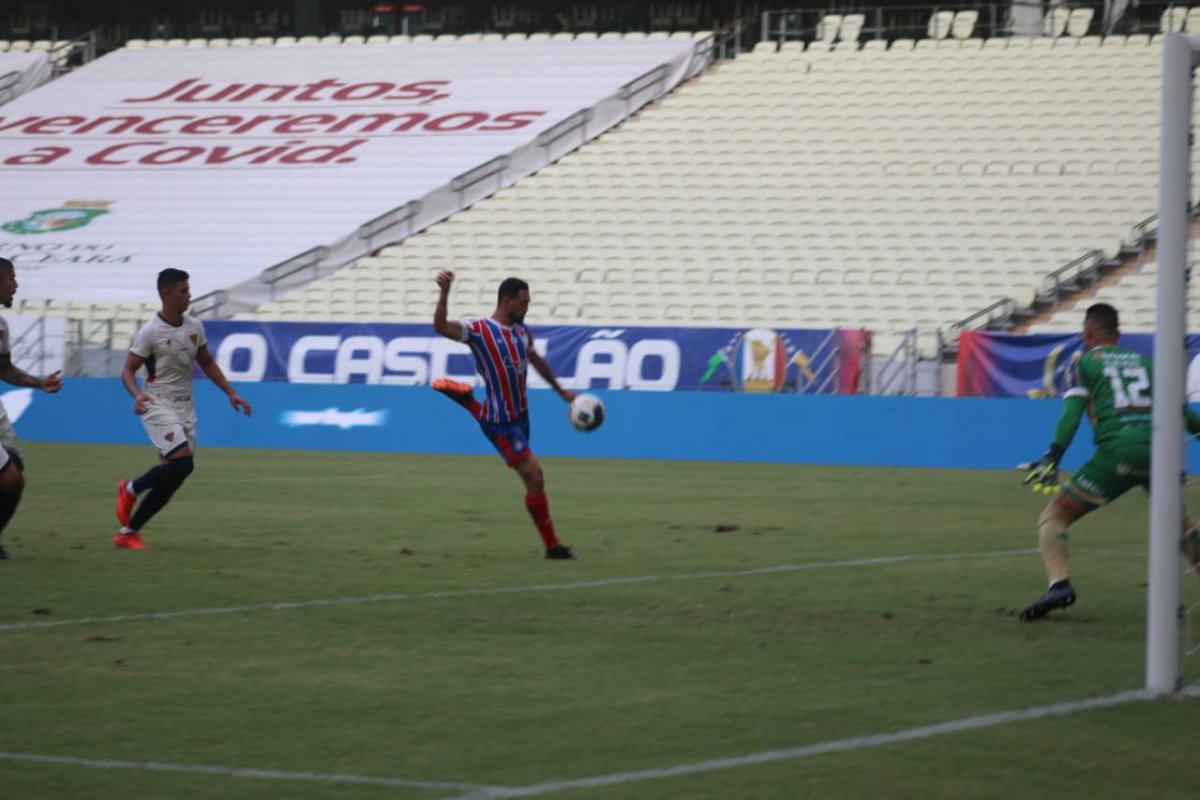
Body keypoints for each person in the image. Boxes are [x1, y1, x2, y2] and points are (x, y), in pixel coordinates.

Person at [1019, 302, 1200, 620]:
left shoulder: (1083, 363)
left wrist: (1053, 455)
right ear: (1119, 334)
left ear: (1087, 332)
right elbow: (1182, 413)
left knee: (1055, 515)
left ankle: (1059, 585)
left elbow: (1071, 413)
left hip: (1119, 451)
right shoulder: (1147, 364)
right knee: (1181, 527)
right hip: (1163, 453)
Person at [431, 271, 578, 559]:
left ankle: (469, 402)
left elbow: (536, 361)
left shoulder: (522, 333)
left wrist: (561, 392)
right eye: (524, 303)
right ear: (507, 301)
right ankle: (553, 547)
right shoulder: (479, 330)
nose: (527, 308)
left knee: (532, 481)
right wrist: (445, 292)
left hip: (521, 418)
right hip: (501, 423)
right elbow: (440, 327)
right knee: (535, 476)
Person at [114, 268, 251, 549]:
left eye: (188, 290)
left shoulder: (194, 327)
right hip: (156, 404)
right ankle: (130, 488)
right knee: (183, 463)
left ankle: (128, 532)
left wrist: (231, 393)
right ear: (166, 294)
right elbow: (127, 371)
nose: (189, 295)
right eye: (183, 291)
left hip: (185, 407)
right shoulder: (150, 332)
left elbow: (207, 363)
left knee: (175, 476)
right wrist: (137, 395)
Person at [0, 258, 64, 559]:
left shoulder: (1, 326)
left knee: (15, 473)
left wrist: (39, 383)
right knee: (10, 478)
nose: (16, 285)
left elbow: (4, 368)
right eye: (11, 278)